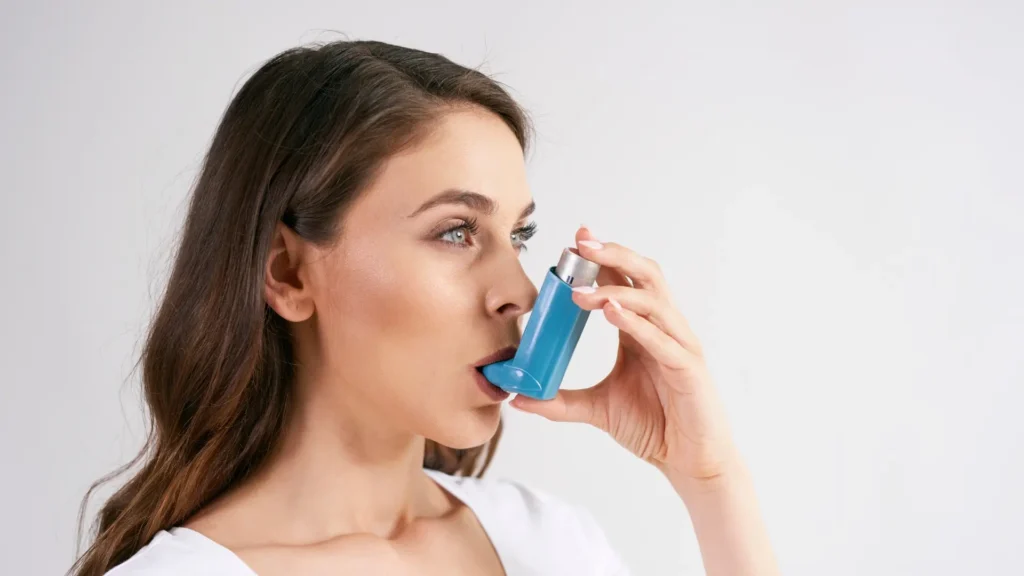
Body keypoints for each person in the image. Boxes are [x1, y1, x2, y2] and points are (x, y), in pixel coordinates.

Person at [70, 39, 779, 576]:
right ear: (288, 272)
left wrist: (710, 481)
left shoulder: (551, 544)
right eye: (456, 232)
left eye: (519, 236)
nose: (524, 294)